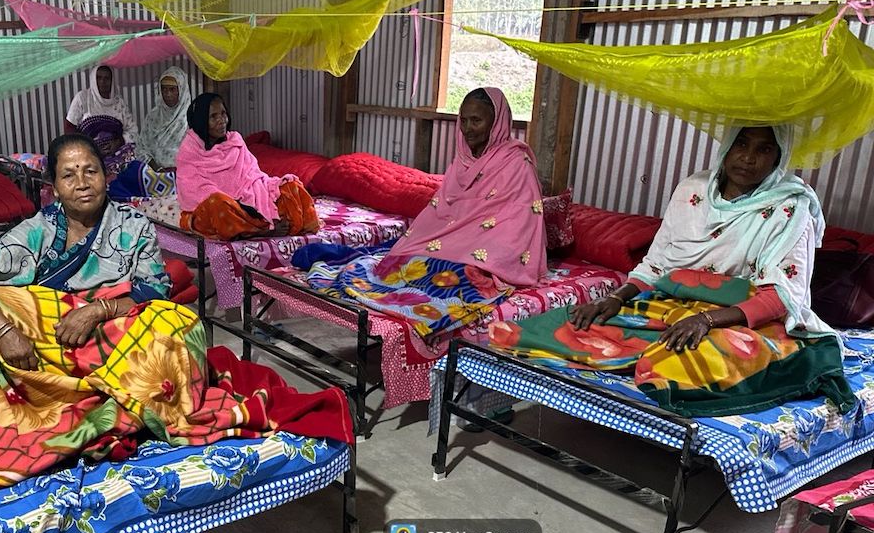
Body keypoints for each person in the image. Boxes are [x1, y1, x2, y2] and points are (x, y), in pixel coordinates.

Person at [0, 134, 280, 490]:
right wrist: (6, 332)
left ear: (105, 176)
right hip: (51, 340)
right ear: (54, 187)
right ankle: (66, 394)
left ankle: (112, 396)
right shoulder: (37, 229)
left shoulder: (133, 226)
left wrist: (98, 310)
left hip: (115, 335)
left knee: (179, 322)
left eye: (90, 171)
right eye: (69, 175)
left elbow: (154, 292)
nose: (82, 183)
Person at [489, 124, 855, 416]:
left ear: (779, 157)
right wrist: (616, 298)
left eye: (764, 149)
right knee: (566, 326)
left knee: (681, 365)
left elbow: (781, 297)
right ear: (727, 146)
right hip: (673, 304)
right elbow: (658, 263)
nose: (748, 157)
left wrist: (706, 320)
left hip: (742, 316)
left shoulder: (792, 207)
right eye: (741, 144)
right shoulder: (692, 190)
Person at [293, 88, 545, 339]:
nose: (467, 129)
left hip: (486, 251)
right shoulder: (464, 161)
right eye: (464, 120)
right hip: (453, 243)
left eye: (476, 120)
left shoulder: (517, 165)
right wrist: (442, 243)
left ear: (497, 122)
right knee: (404, 261)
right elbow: (442, 214)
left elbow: (516, 227)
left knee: (462, 277)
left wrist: (469, 250)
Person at [175, 92, 318, 239]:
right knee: (217, 203)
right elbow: (193, 191)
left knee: (291, 186)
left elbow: (253, 175)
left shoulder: (235, 140)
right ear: (200, 121)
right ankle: (259, 230)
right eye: (213, 116)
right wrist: (234, 202)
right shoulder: (190, 149)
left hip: (248, 202)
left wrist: (263, 195)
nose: (222, 120)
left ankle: (285, 226)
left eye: (223, 113)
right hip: (216, 211)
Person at [64, 65, 139, 143]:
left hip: (117, 148)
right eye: (98, 78)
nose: (102, 81)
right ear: (93, 79)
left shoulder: (119, 103)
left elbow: (133, 131)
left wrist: (119, 142)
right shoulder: (82, 98)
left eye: (107, 78)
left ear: (112, 81)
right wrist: (86, 145)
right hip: (87, 147)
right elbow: (69, 127)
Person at [137, 66, 192, 170]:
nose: (168, 94)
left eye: (172, 89)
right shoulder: (153, 116)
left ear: (182, 90)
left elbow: (196, 153)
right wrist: (156, 168)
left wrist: (176, 170)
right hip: (154, 171)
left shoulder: (191, 118)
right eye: (164, 89)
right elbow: (141, 148)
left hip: (183, 172)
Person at [77, 115, 136, 183]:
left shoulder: (130, 155)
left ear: (118, 140)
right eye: (100, 144)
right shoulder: (90, 164)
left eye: (107, 141)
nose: (105, 147)